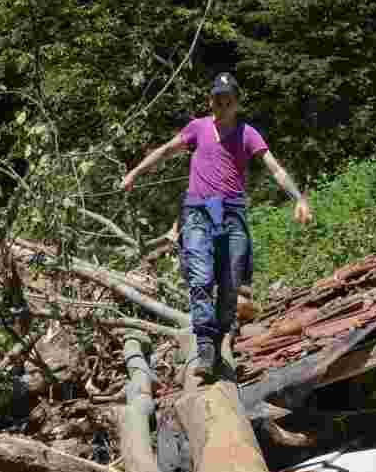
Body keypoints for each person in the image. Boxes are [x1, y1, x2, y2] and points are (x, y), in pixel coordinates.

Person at [120, 72, 312, 379]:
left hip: (232, 212)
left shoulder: (248, 134)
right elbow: (165, 150)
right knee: (200, 276)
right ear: (210, 101)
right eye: (218, 101)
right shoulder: (197, 128)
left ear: (236, 104)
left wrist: (299, 198)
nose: (222, 107)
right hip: (199, 210)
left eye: (228, 102)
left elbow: (274, 169)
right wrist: (135, 174)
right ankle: (206, 346)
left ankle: (221, 336)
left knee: (231, 283)